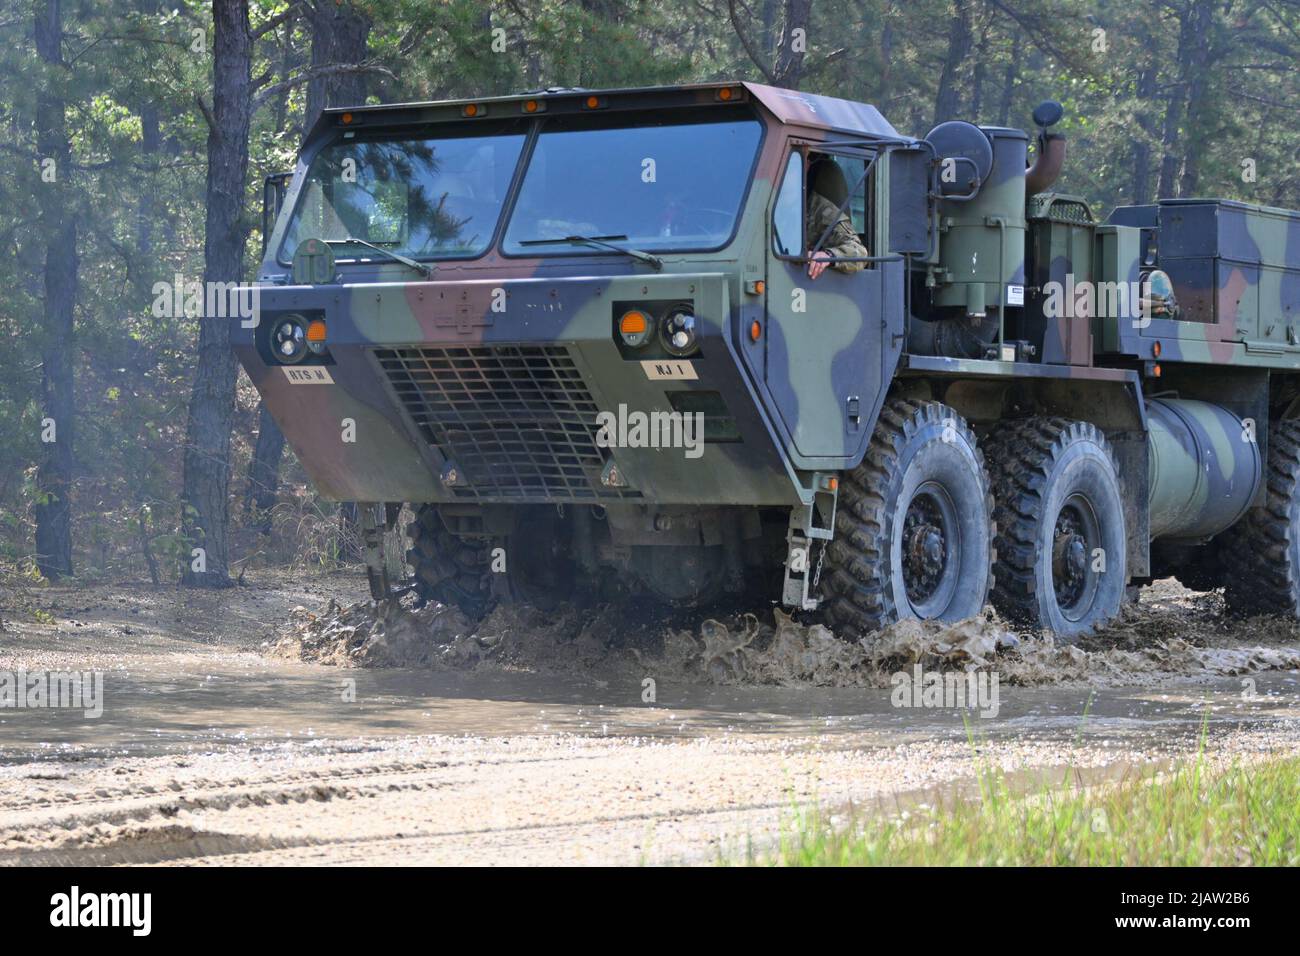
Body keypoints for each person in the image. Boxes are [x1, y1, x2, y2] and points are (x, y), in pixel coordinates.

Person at [805, 157, 869, 280]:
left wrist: (827, 256)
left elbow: (858, 252)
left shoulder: (820, 209)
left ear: (806, 166)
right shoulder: (767, 201)